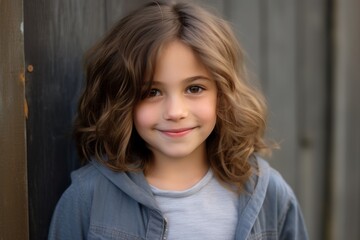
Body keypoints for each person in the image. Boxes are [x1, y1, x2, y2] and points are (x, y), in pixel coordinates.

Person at [48, 1, 308, 239]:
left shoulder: (269, 194)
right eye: (152, 92)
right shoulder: (86, 199)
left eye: (194, 88)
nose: (175, 111)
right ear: (122, 99)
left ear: (223, 94)